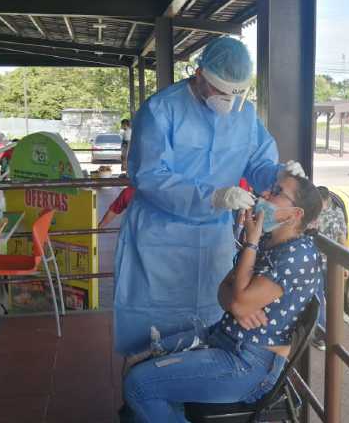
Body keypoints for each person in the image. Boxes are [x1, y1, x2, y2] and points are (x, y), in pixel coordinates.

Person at [113, 36, 306, 356]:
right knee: (150, 339)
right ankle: (142, 399)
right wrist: (211, 196)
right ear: (199, 74)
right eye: (219, 89)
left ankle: (193, 393)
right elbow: (149, 176)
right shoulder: (162, 110)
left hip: (212, 240)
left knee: (208, 325)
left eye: (233, 92)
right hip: (159, 239)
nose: (225, 99)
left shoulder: (244, 116)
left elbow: (258, 163)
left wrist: (280, 175)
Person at [123, 174, 323, 422]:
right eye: (270, 188)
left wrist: (249, 247)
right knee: (137, 360)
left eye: (277, 192)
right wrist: (237, 303)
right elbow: (224, 291)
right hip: (223, 340)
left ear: (296, 214)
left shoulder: (298, 254)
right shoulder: (269, 241)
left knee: (138, 386)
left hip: (246, 364)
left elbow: (237, 300)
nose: (265, 195)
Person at [311, 186, 348, 350]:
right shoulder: (338, 213)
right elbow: (342, 239)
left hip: (316, 263)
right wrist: (346, 264)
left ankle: (322, 336)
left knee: (319, 299)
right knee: (333, 300)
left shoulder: (312, 213)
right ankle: (332, 335)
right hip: (333, 264)